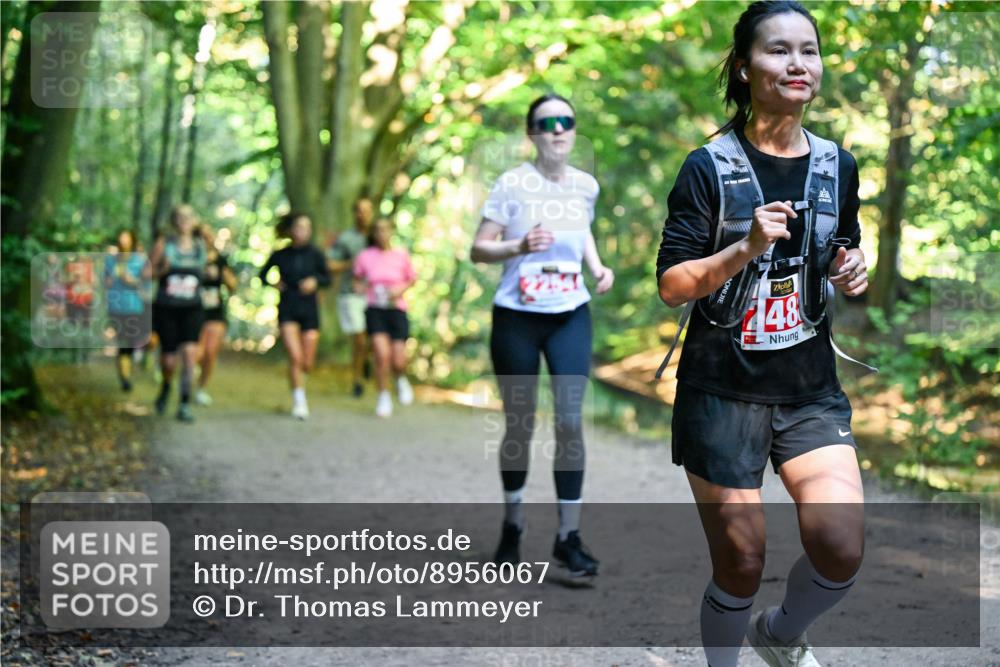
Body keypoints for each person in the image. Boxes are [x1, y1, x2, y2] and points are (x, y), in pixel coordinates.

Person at [655, 3, 868, 665]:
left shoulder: (838, 165)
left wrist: (853, 267)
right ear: (745, 68)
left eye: (809, 50)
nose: (797, 64)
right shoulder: (709, 167)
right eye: (779, 50)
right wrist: (744, 246)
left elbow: (841, 253)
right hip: (720, 390)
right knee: (742, 558)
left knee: (841, 542)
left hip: (808, 390)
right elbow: (672, 283)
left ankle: (778, 635)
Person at [471, 93, 614, 579]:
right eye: (546, 123)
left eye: (566, 122)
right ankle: (513, 526)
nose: (557, 129)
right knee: (520, 424)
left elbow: (583, 231)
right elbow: (478, 249)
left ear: (574, 131)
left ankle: (567, 537)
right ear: (531, 133)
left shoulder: (585, 186)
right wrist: (519, 244)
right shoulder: (512, 185)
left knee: (570, 421)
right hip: (517, 316)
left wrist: (596, 267)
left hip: (570, 312)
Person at [259, 212, 331, 420]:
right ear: (291, 230)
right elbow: (262, 275)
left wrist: (315, 281)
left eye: (306, 227)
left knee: (307, 362)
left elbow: (326, 278)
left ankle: (300, 383)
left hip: (309, 309)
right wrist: (275, 283)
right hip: (288, 307)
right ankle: (299, 400)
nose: (302, 231)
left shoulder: (315, 254)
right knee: (295, 356)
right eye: (299, 227)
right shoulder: (281, 255)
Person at [352, 218, 416, 418]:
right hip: (375, 309)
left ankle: (400, 378)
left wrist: (399, 290)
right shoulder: (365, 256)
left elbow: (412, 278)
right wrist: (360, 288)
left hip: (396, 310)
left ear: (391, 232)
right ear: (373, 233)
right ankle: (383, 396)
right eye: (377, 230)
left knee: (398, 359)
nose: (381, 234)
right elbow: (356, 280)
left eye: (385, 230)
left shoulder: (401, 254)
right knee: (381, 354)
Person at [149, 205, 207, 422]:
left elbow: (215, 269)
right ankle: (165, 386)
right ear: (174, 221)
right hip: (167, 309)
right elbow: (145, 273)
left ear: (195, 220)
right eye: (180, 217)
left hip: (192, 308)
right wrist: (160, 270)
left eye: (189, 216)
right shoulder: (164, 245)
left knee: (191, 357)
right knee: (169, 360)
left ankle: (184, 403)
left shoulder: (202, 246)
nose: (185, 220)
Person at [328, 198, 374, 398]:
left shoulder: (378, 237)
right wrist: (353, 263)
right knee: (359, 339)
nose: (362, 214)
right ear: (354, 213)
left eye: (366, 210)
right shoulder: (346, 239)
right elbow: (330, 265)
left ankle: (365, 361)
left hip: (376, 295)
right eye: (359, 211)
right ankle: (357, 380)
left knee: (373, 339)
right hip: (351, 294)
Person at [195, 226, 237, 406]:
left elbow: (232, 285)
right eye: (202, 236)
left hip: (215, 312)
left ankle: (201, 388)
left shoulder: (220, 260)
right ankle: (188, 376)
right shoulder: (189, 258)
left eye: (208, 236)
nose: (206, 239)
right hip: (193, 310)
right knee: (197, 353)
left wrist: (221, 274)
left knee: (210, 353)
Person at [103, 230, 150, 392]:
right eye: (121, 237)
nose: (123, 240)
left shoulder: (139, 260)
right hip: (115, 307)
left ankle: (128, 370)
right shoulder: (110, 261)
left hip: (134, 307)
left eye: (126, 237)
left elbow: (145, 284)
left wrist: (132, 280)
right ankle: (125, 377)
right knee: (122, 341)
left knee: (130, 342)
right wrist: (112, 278)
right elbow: (104, 283)